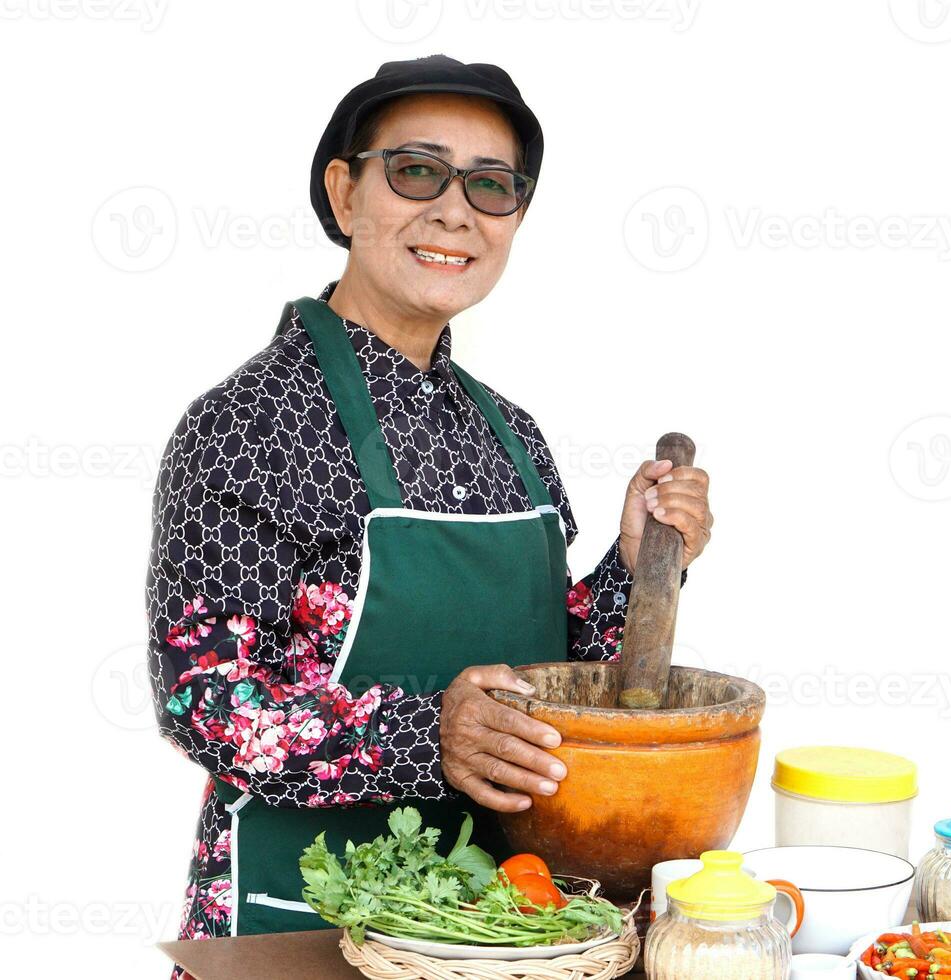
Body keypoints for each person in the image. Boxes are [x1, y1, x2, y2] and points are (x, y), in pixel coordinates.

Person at [146, 55, 713, 967]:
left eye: (492, 186)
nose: (456, 211)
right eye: (417, 171)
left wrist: (637, 566)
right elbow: (204, 698)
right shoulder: (246, 424)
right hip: (305, 916)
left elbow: (557, 679)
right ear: (344, 193)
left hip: (499, 921)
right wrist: (427, 737)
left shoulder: (511, 433)